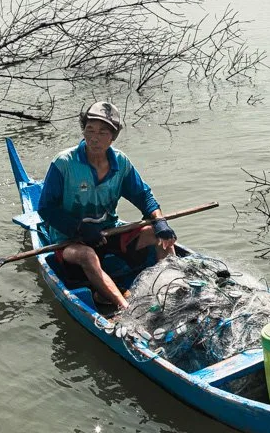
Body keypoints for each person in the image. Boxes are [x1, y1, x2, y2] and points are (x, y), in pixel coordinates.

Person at [37, 101, 176, 311]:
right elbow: (46, 209)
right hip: (69, 240)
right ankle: (125, 308)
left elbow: (144, 197)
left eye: (103, 132)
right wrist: (78, 229)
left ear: (113, 136)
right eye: (89, 130)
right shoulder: (64, 163)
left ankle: (172, 288)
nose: (94, 137)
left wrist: (160, 221)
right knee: (87, 255)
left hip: (108, 231)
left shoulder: (121, 163)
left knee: (159, 237)